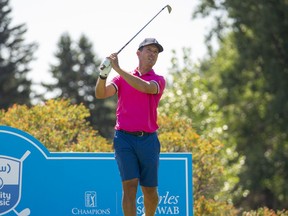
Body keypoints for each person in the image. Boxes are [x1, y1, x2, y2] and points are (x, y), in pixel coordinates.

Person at [95, 38, 166, 216]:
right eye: (148, 50)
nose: (152, 54)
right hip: (124, 138)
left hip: (148, 139)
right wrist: (103, 74)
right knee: (129, 186)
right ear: (138, 53)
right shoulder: (120, 79)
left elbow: (145, 87)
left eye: (155, 52)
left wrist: (117, 68)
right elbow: (101, 93)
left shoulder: (158, 80)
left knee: (150, 191)